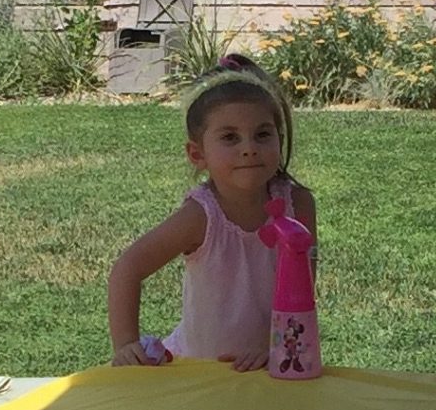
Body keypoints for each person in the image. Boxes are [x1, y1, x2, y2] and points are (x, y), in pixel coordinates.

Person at [109, 55, 317, 370]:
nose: (249, 147)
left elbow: (304, 286)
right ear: (198, 153)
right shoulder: (201, 216)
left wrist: (272, 346)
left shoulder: (298, 205)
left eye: (262, 134)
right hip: (200, 370)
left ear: (280, 138)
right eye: (230, 137)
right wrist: (126, 345)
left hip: (273, 365)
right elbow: (128, 268)